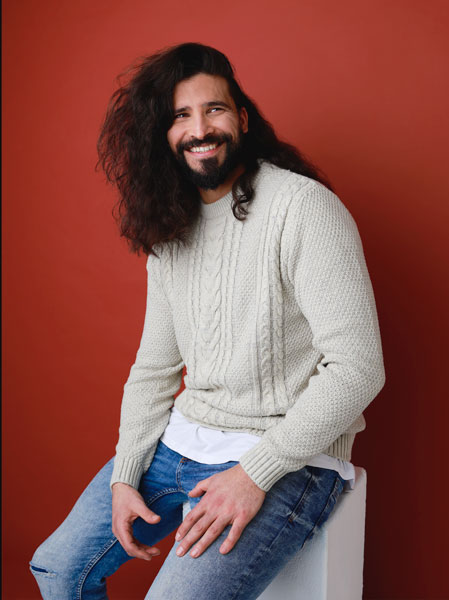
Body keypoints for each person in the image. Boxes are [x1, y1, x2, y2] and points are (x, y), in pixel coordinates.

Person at [29, 42, 386, 600]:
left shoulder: (303, 208)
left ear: (241, 118)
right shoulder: (171, 226)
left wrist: (253, 474)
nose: (200, 129)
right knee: (57, 569)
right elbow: (154, 369)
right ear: (163, 134)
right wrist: (125, 475)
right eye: (181, 115)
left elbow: (359, 368)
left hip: (285, 458)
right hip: (182, 443)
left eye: (214, 109)